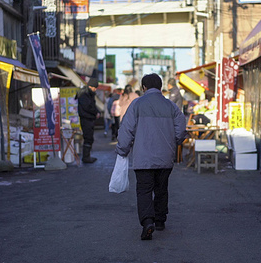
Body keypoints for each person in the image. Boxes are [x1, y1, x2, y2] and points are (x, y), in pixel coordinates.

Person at [116, 73, 187, 240]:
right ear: (161, 87)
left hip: (143, 159)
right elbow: (181, 130)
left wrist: (122, 149)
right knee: (161, 189)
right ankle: (160, 220)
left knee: (144, 190)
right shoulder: (171, 106)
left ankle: (148, 221)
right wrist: (174, 142)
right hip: (165, 158)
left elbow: (126, 130)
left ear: (144, 88)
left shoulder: (137, 105)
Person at [76, 78, 100, 163]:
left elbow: (91, 105)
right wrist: (95, 112)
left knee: (89, 138)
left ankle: (87, 156)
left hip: (88, 118)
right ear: (90, 86)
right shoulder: (84, 94)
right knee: (88, 137)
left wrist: (97, 111)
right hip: (86, 118)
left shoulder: (88, 93)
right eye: (94, 87)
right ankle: (86, 157)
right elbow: (88, 107)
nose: (95, 89)